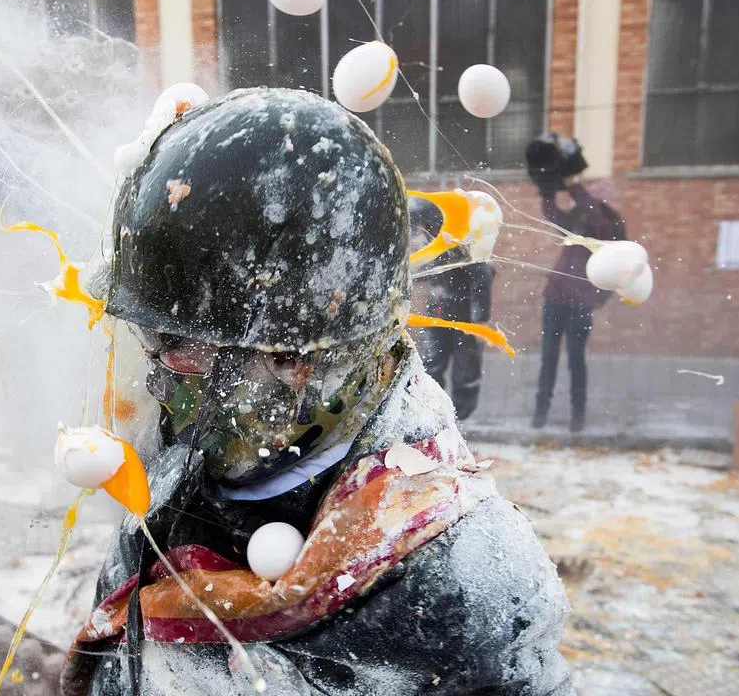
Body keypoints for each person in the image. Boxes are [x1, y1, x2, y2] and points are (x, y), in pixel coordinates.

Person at [62, 88, 573, 695]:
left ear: (299, 362)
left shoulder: (461, 583)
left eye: (181, 343)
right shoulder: (176, 471)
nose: (159, 367)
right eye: (149, 336)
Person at [525, 132, 627, 433]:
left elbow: (594, 214)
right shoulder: (579, 219)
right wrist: (547, 190)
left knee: (576, 362)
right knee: (548, 359)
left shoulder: (608, 224)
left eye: (591, 200)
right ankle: (540, 412)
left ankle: (577, 416)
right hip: (555, 298)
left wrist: (574, 185)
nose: (583, 205)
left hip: (580, 304)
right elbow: (552, 216)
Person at [409, 198, 495, 421]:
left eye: (423, 227)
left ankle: (460, 419)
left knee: (465, 370)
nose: (420, 233)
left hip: (464, 318)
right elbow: (424, 270)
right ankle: (431, 415)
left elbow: (483, 275)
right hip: (437, 314)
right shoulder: (435, 243)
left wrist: (480, 318)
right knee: (430, 366)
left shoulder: (460, 242)